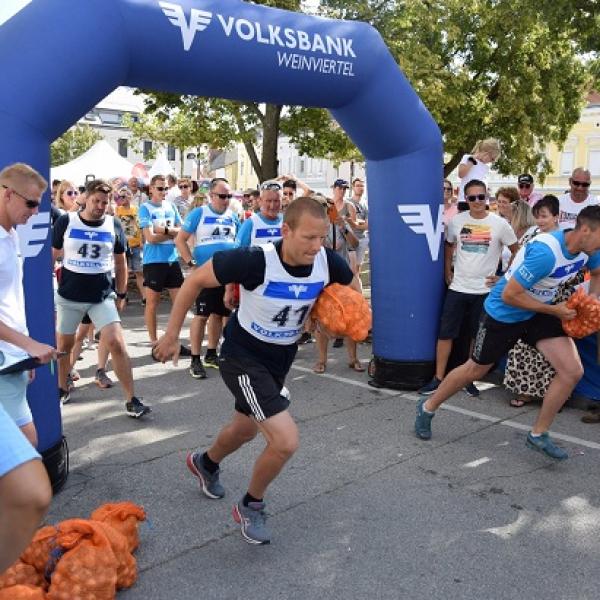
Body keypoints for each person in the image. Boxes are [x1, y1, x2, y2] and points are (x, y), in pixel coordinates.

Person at [154, 197, 359, 545]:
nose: (316, 246)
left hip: (280, 359)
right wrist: (172, 334)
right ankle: (251, 504)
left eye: (321, 237)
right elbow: (193, 282)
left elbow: (351, 295)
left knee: (244, 429)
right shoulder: (255, 259)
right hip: (242, 355)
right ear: (286, 231)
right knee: (285, 440)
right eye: (308, 237)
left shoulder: (327, 261)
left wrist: (331, 316)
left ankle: (205, 463)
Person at [415, 205, 600, 460]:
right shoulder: (546, 253)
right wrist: (554, 310)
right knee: (475, 370)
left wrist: (591, 301)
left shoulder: (588, 249)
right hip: (505, 312)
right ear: (586, 230)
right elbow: (509, 295)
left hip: (538, 312)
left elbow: (598, 273)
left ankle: (538, 434)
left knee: (573, 370)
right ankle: (427, 407)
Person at [52, 179, 151, 417]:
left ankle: (131, 399)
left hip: (101, 296)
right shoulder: (67, 220)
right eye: (96, 200)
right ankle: (61, 388)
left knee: (117, 342)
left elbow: (120, 262)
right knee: (64, 346)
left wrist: (122, 292)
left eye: (104, 202)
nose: (99, 206)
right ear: (85, 197)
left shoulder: (113, 224)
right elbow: (53, 254)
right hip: (70, 295)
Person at [418, 180, 519, 397]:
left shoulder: (500, 224)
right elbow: (448, 244)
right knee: (446, 333)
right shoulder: (456, 221)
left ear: (487, 197)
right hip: (458, 287)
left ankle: (467, 379)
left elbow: (516, 249)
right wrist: (447, 269)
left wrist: (503, 278)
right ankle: (438, 378)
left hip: (484, 291)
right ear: (465, 198)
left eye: (480, 197)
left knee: (476, 336)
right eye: (472, 198)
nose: (477, 202)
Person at [0, 163, 61, 446]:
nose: (37, 211)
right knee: (27, 451)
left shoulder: (10, 235)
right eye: (32, 203)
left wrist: (23, 355)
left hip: (12, 359)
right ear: (7, 195)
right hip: (5, 359)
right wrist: (26, 346)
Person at [175, 177, 240, 379]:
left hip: (227, 274)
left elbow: (237, 242)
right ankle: (195, 358)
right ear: (211, 196)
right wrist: (191, 264)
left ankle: (212, 353)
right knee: (202, 315)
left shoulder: (233, 216)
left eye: (229, 196)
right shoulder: (199, 213)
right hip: (205, 273)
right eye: (222, 196)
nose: (226, 199)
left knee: (220, 314)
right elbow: (180, 239)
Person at [503, 195, 563, 408]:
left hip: (555, 296)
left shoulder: (565, 238)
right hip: (525, 294)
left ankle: (553, 394)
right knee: (522, 346)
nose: (541, 221)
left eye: (545, 216)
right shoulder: (533, 235)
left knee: (550, 349)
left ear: (557, 216)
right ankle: (525, 390)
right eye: (538, 216)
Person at [138, 175, 189, 355]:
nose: (164, 192)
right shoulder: (145, 208)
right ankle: (154, 344)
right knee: (152, 304)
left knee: (180, 303)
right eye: (160, 188)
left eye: (166, 188)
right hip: (153, 262)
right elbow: (150, 238)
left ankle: (173, 340)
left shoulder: (171, 206)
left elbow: (182, 232)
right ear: (151, 189)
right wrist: (171, 233)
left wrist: (163, 230)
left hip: (172, 260)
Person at [116, 187, 145, 304]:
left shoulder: (136, 210)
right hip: (123, 245)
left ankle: (145, 296)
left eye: (123, 196)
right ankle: (124, 296)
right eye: (119, 197)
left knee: (139, 271)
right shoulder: (117, 210)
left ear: (130, 197)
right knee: (124, 271)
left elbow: (141, 226)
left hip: (136, 244)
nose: (121, 199)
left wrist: (142, 240)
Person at [348, 177, 369, 277]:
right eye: (357, 185)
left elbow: (367, 225)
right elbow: (347, 222)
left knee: (357, 268)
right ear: (353, 188)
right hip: (349, 239)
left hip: (362, 239)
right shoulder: (348, 203)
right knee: (348, 267)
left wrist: (354, 223)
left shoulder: (365, 204)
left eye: (362, 185)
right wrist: (356, 223)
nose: (360, 188)